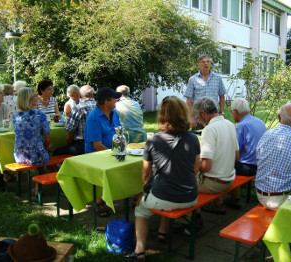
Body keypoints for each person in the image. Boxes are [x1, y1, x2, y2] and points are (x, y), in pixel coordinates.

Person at [124, 96, 200, 261]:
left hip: (164, 197)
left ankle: (139, 251)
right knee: (165, 192)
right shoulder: (193, 139)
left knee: (141, 210)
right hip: (190, 197)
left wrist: (144, 192)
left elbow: (146, 174)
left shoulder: (153, 140)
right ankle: (162, 232)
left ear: (162, 115)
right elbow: (195, 169)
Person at [192, 97, 239, 215]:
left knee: (181, 179)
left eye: (198, 118)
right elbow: (237, 156)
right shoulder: (230, 124)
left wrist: (194, 162)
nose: (199, 122)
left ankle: (193, 219)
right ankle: (218, 204)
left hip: (214, 184)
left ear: (203, 113)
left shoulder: (209, 130)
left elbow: (206, 166)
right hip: (229, 180)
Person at [84, 86, 121, 217]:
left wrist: (120, 149)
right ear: (106, 102)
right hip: (96, 156)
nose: (117, 101)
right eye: (115, 99)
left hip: (112, 152)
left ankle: (136, 196)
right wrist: (115, 153)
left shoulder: (113, 113)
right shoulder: (93, 118)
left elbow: (118, 132)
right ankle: (99, 201)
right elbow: (97, 145)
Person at [226, 98, 267, 208]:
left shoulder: (241, 126)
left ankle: (217, 201)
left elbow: (234, 152)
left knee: (219, 163)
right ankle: (235, 197)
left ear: (235, 112)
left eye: (231, 111)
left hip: (248, 168)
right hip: (261, 164)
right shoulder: (258, 121)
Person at [13, 87, 53, 166]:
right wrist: (46, 147)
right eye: (35, 96)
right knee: (49, 151)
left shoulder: (15, 116)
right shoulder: (39, 114)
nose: (37, 97)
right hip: (37, 157)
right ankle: (49, 176)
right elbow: (48, 139)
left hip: (19, 157)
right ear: (29, 99)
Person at [185, 54, 226, 129]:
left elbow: (222, 96)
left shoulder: (217, 78)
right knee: (199, 139)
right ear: (199, 64)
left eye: (208, 61)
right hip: (198, 119)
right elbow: (189, 100)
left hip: (214, 119)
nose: (206, 63)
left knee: (215, 139)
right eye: (203, 62)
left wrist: (221, 113)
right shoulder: (193, 79)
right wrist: (191, 117)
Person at [53, 85, 96, 156]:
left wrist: (71, 145)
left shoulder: (78, 108)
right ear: (93, 94)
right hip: (101, 143)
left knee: (56, 152)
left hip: (82, 144)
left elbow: (69, 135)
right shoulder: (101, 107)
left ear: (80, 94)